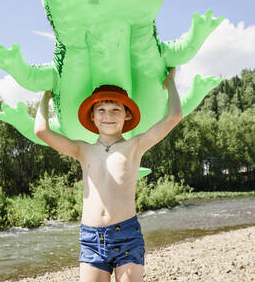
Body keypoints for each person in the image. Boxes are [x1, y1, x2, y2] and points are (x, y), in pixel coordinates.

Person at [34, 68, 182, 282]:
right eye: (101, 110)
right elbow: (41, 131)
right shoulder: (82, 150)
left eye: (115, 110)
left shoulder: (135, 145)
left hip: (127, 236)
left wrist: (170, 83)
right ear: (92, 116)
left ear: (127, 114)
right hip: (91, 238)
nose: (108, 115)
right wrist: (46, 96)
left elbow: (174, 116)